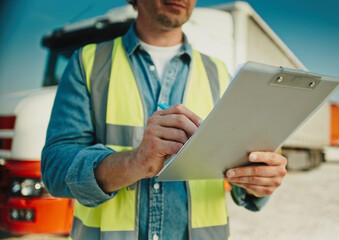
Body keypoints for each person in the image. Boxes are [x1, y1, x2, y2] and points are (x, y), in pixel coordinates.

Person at [41, 0, 287, 239]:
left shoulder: (219, 73)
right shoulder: (88, 63)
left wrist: (258, 180)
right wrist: (134, 163)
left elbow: (236, 170)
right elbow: (55, 168)